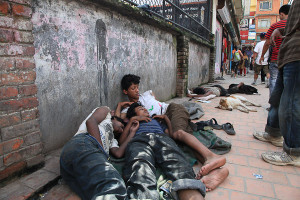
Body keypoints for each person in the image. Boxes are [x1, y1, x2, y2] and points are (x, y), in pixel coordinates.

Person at [116, 74, 227, 178]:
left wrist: (161, 112)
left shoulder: (146, 95)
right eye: (133, 88)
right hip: (164, 121)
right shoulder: (129, 110)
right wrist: (120, 105)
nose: (137, 91)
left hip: (171, 110)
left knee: (177, 133)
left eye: (137, 87)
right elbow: (117, 120)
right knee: (182, 143)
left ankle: (211, 156)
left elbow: (155, 99)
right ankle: (214, 170)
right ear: (125, 91)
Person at [122, 102, 228, 199]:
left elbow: (170, 135)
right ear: (133, 115)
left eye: (145, 108)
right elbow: (121, 141)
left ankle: (192, 195)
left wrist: (166, 119)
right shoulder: (132, 122)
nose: (145, 109)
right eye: (141, 108)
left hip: (162, 138)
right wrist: (132, 121)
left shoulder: (156, 120)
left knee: (179, 165)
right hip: (139, 140)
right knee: (140, 168)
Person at [253, 0, 300, 166]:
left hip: (296, 56)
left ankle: (294, 151)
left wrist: (260, 57)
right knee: (277, 99)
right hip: (286, 56)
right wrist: (282, 30)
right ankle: (273, 133)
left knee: (292, 104)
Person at [60, 106, 138, 200]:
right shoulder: (106, 112)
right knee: (113, 185)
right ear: (114, 118)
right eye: (121, 126)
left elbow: (118, 153)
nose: (121, 130)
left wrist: (132, 133)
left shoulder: (112, 139)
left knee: (99, 191)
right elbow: (91, 121)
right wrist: (102, 153)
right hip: (83, 142)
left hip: (71, 162)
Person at [259, 4, 290, 94]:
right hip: (291, 59)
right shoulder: (294, 25)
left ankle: (274, 104)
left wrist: (262, 56)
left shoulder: (275, 26)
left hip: (276, 58)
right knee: (289, 82)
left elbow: (267, 43)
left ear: (281, 14)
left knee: (274, 80)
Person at [187, 82, 257, 99]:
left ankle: (239, 85)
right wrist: (191, 92)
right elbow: (198, 89)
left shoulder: (209, 91)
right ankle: (238, 85)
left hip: (222, 91)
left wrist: (191, 96)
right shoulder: (205, 88)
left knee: (230, 91)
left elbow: (204, 95)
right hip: (218, 87)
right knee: (229, 90)